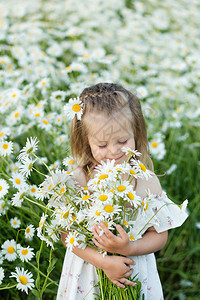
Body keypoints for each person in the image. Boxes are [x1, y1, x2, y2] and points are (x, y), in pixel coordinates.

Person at [57, 83, 187, 300]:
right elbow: (67, 235)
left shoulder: (146, 180)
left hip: (133, 270)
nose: (114, 151)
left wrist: (129, 248)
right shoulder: (80, 179)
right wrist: (103, 262)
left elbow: (159, 235)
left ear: (136, 133)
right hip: (89, 275)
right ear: (86, 141)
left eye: (123, 141)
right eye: (102, 144)